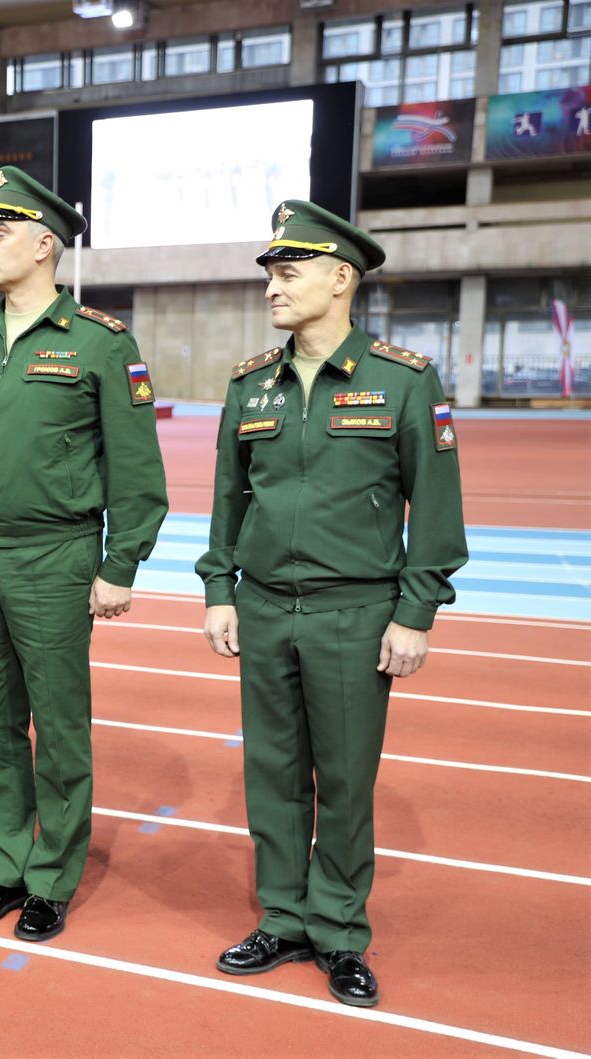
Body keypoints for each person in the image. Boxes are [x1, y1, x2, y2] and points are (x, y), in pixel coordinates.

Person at [197, 200, 468, 1008]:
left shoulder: (403, 380)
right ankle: (283, 917)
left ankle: (341, 929)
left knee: (345, 780)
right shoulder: (252, 384)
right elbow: (229, 498)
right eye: (271, 275)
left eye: (289, 273)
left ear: (341, 278)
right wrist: (219, 588)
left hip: (355, 611)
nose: (272, 288)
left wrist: (415, 611)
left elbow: (437, 509)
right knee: (272, 772)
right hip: (264, 606)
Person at [0, 166, 168, 942]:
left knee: (59, 728)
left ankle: (52, 875)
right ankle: (4, 864)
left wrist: (120, 563)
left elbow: (137, 469)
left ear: (43, 244)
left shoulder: (100, 343)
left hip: (55, 555)